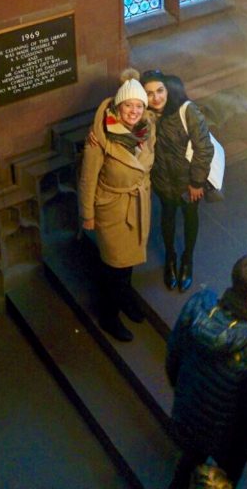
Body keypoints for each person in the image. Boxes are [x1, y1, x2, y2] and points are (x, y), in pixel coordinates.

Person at [165, 253, 247, 489]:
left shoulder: (198, 305)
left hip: (188, 412)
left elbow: (173, 356)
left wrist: (184, 391)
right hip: (225, 438)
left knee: (187, 461)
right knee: (225, 478)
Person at [78, 68, 156, 342]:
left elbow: (149, 159)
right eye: (128, 105)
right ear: (117, 106)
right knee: (114, 265)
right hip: (112, 207)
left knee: (129, 261)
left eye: (138, 105)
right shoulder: (100, 136)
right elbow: (88, 178)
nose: (134, 111)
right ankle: (108, 315)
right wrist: (87, 215)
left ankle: (125, 299)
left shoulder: (147, 127)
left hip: (138, 203)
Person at [141, 70, 213, 292]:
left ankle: (187, 259)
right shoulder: (146, 115)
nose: (156, 98)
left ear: (168, 90)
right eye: (149, 93)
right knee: (167, 217)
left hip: (187, 182)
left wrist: (197, 182)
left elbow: (204, 147)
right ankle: (170, 258)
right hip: (163, 180)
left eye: (160, 91)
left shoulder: (187, 110)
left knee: (190, 216)